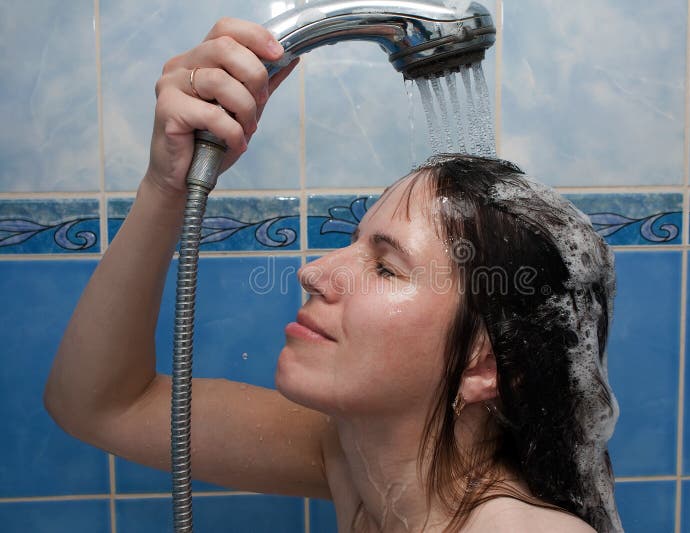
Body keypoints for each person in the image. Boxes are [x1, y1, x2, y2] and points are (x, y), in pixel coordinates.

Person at [44, 18, 622, 533]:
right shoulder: (360, 460)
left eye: (386, 267)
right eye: (352, 244)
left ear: (487, 364)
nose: (312, 272)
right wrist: (165, 186)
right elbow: (100, 406)